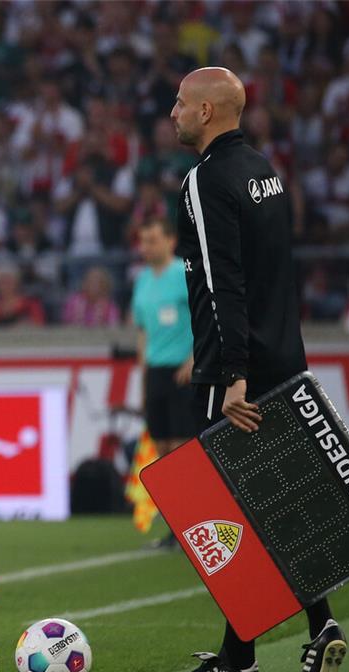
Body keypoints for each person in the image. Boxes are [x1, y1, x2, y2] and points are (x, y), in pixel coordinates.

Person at [162, 67, 346, 672]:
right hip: (283, 357)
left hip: (233, 373)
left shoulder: (205, 179)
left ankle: (256, 654)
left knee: (230, 516)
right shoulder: (266, 170)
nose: (173, 112)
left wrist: (232, 373)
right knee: (269, 505)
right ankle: (268, 646)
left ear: (209, 112)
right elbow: (275, 274)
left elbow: (222, 280)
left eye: (182, 104)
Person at [130, 217, 193, 551]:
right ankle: (176, 531)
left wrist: (195, 359)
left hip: (182, 372)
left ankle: (194, 527)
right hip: (156, 372)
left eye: (153, 239)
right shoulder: (142, 281)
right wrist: (143, 378)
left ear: (170, 241)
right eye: (143, 241)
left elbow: (205, 317)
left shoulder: (184, 274)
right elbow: (142, 331)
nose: (146, 247)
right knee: (164, 454)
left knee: (184, 452)